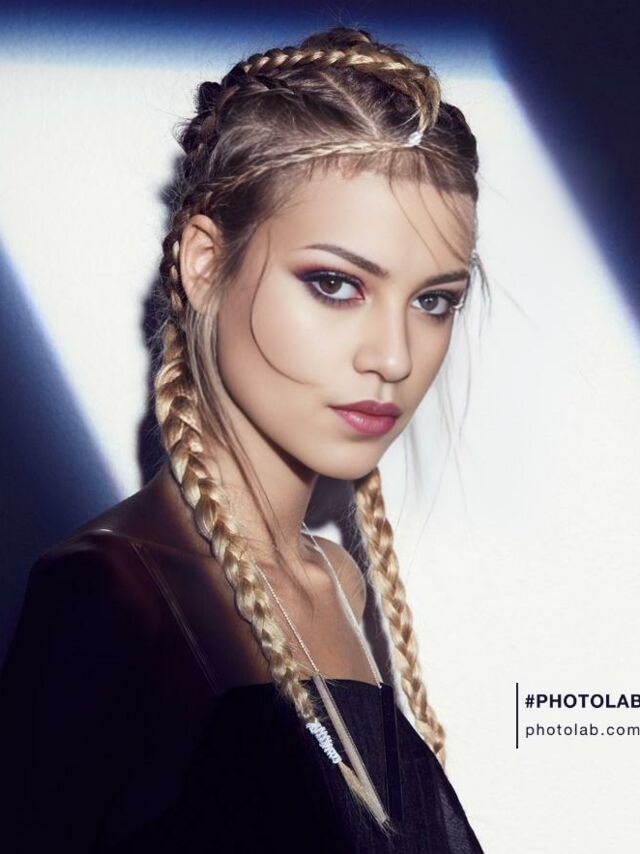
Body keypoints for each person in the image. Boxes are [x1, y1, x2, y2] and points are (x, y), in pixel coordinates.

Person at [0, 25, 487, 853]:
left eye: (434, 301)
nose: (395, 357)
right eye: (335, 284)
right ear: (202, 263)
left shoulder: (339, 585)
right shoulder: (111, 593)